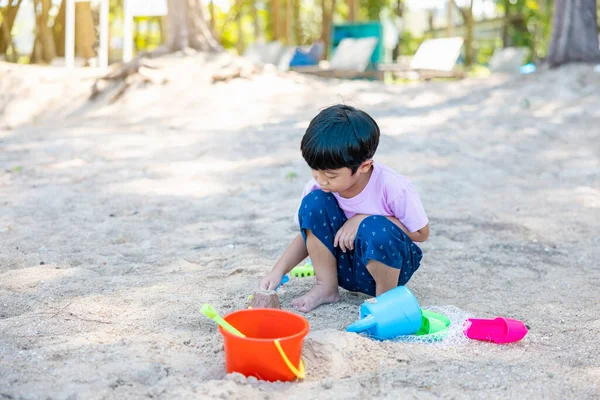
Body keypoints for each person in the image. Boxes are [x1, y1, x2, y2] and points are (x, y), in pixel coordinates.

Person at [259, 104, 429, 312]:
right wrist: (278, 270)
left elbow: (420, 233)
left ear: (364, 166)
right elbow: (310, 235)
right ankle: (326, 287)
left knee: (375, 228)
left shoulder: (391, 185)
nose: (322, 181)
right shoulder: (317, 188)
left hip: (389, 267)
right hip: (343, 267)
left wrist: (361, 219)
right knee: (314, 203)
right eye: (315, 171)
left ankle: (386, 300)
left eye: (331, 175)